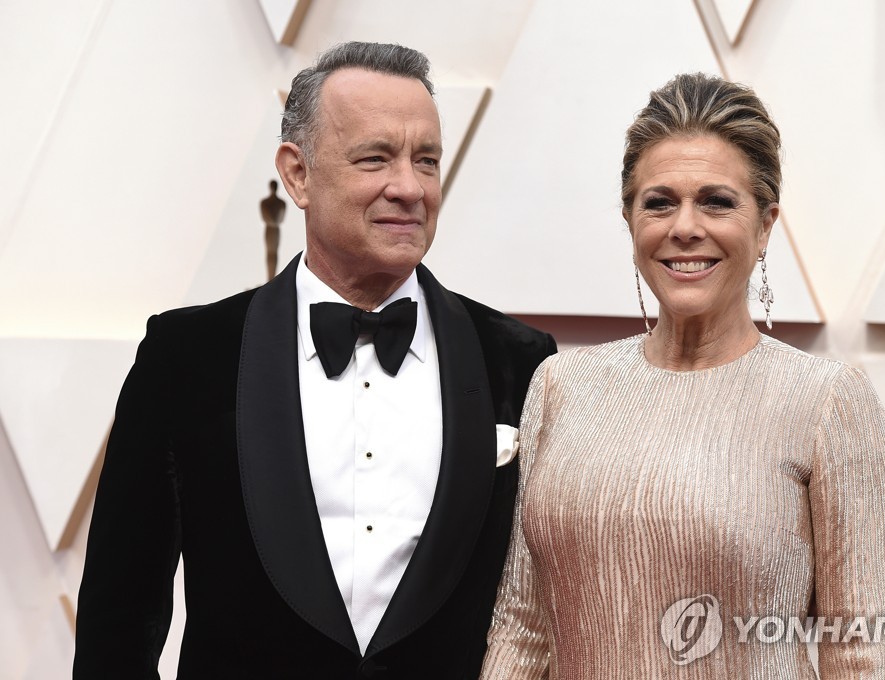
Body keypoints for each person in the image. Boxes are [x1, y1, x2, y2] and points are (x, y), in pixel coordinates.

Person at [73, 42, 556, 679]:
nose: (409, 188)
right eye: (375, 158)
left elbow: (545, 614)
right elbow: (117, 623)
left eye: (427, 160)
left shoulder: (521, 361)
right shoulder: (184, 357)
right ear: (297, 174)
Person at [481, 73, 885, 678]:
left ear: (765, 225)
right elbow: (522, 629)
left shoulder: (827, 402)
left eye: (716, 201)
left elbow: (857, 653)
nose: (684, 226)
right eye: (659, 202)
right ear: (630, 221)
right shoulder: (560, 387)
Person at [261, 179, 286, 281]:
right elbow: (267, 218)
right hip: (270, 230)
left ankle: (272, 279)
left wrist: (273, 222)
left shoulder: (281, 203)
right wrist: (274, 222)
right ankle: (269, 279)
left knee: (274, 253)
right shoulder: (265, 203)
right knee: (270, 253)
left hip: (275, 230)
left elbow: (280, 219)